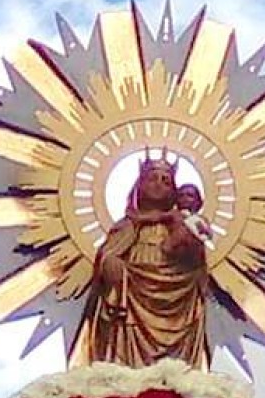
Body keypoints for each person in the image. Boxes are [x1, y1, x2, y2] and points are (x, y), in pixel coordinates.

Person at [84, 157, 209, 368]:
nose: (159, 184)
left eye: (166, 181)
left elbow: (197, 264)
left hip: (176, 298)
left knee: (173, 370)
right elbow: (108, 253)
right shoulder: (127, 226)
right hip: (131, 296)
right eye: (152, 178)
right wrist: (110, 262)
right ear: (139, 185)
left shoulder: (182, 224)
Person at [176, 182, 214, 250]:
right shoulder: (171, 218)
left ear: (197, 201)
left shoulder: (201, 220)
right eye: (181, 195)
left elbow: (206, 234)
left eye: (190, 195)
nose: (185, 198)